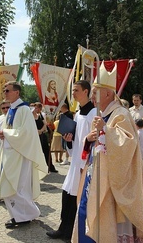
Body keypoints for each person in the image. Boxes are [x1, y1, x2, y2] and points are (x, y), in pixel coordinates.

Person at [73, 63, 143, 242]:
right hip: (94, 178)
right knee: (87, 213)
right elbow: (91, 147)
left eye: (95, 91)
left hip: (111, 182)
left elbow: (128, 144)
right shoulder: (102, 114)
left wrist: (106, 130)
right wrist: (89, 139)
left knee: (105, 221)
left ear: (107, 94)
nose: (92, 95)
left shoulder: (120, 113)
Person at [46, 80, 96, 240]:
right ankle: (63, 229)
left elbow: (94, 141)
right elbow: (75, 141)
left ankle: (71, 232)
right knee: (67, 195)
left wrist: (85, 162)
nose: (72, 94)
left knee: (76, 198)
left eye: (76, 90)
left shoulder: (93, 113)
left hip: (84, 163)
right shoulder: (77, 113)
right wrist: (69, 139)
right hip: (75, 162)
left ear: (86, 92)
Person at [0, 81, 48, 228]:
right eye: (4, 90)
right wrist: (3, 135)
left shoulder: (24, 110)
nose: (5, 93)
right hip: (11, 153)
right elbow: (10, 130)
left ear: (16, 92)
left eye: (7, 91)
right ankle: (21, 215)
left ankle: (25, 215)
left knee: (17, 187)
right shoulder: (12, 109)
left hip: (21, 154)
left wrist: (5, 133)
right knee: (10, 185)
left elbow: (25, 134)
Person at [33, 102, 58, 173]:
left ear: (40, 108)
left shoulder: (42, 115)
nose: (35, 109)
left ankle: (50, 167)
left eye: (37, 107)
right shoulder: (31, 115)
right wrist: (36, 131)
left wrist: (41, 130)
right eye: (35, 108)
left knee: (46, 151)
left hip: (42, 135)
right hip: (35, 136)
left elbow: (45, 124)